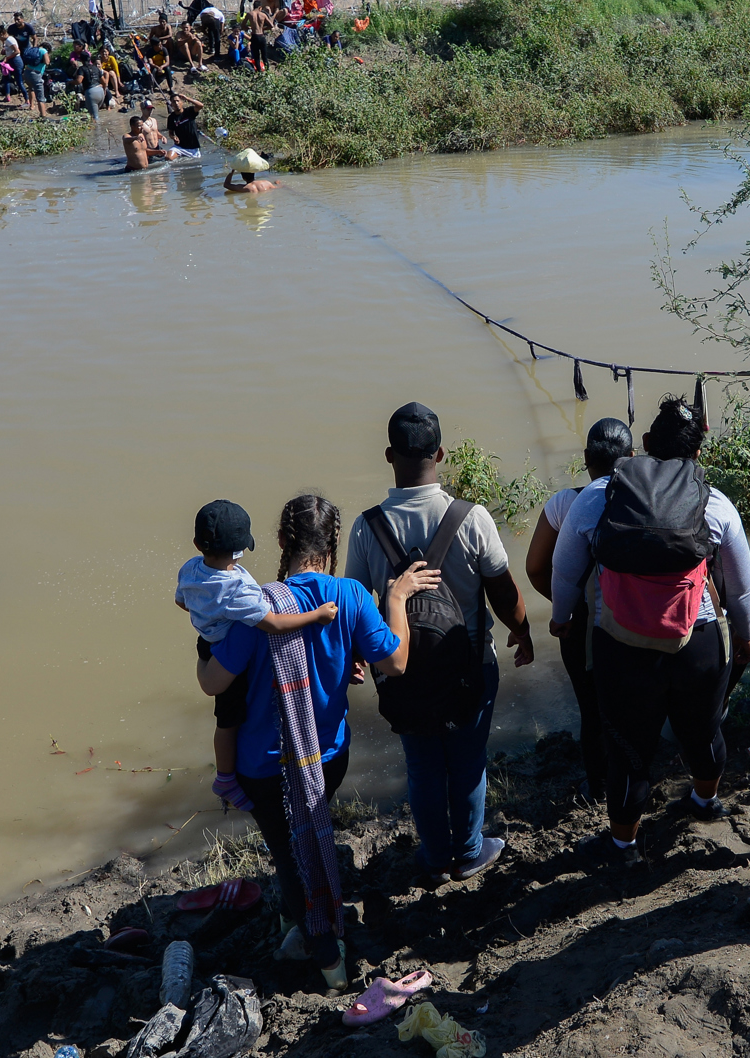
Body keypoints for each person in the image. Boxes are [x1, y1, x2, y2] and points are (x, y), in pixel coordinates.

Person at [197, 495, 421, 990]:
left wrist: (201, 648)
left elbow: (213, 684)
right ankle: (294, 921)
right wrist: (397, 599)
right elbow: (397, 662)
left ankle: (326, 959)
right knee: (301, 840)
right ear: (333, 543)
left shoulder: (256, 607)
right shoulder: (351, 596)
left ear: (281, 541)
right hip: (327, 759)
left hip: (264, 768)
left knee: (290, 855)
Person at [551, 395, 750, 870]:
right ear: (699, 452)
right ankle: (705, 802)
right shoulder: (715, 502)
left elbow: (565, 570)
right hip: (697, 640)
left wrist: (561, 617)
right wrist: (745, 637)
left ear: (643, 443)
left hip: (622, 645)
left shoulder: (599, 494)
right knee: (703, 731)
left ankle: (623, 846)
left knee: (628, 748)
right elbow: (741, 587)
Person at [346, 403, 532, 883]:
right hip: (469, 665)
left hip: (402, 669)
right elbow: (504, 593)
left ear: (390, 455)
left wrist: (356, 657)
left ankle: (434, 859)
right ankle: (468, 853)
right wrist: (522, 631)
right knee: (467, 760)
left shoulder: (367, 527)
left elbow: (354, 605)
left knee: (423, 765)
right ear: (441, 454)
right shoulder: (473, 518)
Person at [177, 500, 340, 814]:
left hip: (207, 643)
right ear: (240, 549)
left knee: (227, 721)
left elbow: (182, 601)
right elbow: (275, 623)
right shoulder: (238, 591)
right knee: (229, 720)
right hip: (225, 651)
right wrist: (316, 615)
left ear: (197, 543)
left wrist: (207, 617)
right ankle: (225, 779)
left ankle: (227, 775)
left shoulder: (190, 568)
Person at [524, 417, 633, 804]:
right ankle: (635, 778)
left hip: (582, 624)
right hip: (640, 616)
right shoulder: (647, 499)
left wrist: (566, 610)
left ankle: (599, 785)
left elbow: (536, 569)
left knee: (591, 708)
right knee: (634, 703)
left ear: (585, 458)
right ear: (632, 456)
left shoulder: (565, 503)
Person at [165, 90, 205, 157]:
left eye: (178, 101)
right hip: (180, 146)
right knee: (168, 157)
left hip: (193, 146)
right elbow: (170, 133)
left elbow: (200, 105)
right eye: (174, 102)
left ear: (182, 102)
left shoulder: (189, 111)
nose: (176, 103)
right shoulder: (171, 118)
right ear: (171, 105)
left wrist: (187, 98)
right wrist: (173, 137)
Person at [21, 32, 50, 117]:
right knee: (41, 97)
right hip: (35, 74)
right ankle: (43, 116)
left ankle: (32, 106)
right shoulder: (44, 51)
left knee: (31, 88)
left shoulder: (34, 49)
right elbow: (47, 62)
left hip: (27, 72)